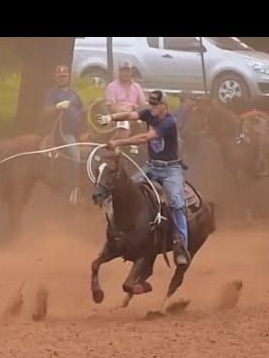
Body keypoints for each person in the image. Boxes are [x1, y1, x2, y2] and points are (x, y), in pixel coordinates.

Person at [97, 90, 190, 266]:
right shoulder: (149, 113)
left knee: (177, 203)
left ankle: (181, 247)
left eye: (155, 104)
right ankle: (122, 229)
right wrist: (112, 118)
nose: (152, 107)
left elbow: (144, 138)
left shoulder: (169, 122)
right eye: (151, 103)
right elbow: (131, 114)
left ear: (164, 106)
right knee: (127, 188)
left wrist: (117, 142)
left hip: (170, 170)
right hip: (151, 166)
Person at [42, 64, 90, 204]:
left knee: (94, 154)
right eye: (60, 76)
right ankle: (73, 189)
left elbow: (82, 111)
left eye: (64, 76)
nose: (62, 78)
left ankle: (90, 188)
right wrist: (57, 107)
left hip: (78, 133)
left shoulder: (74, 93)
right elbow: (44, 113)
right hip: (63, 133)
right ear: (55, 78)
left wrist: (92, 106)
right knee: (76, 155)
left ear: (68, 76)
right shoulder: (52, 93)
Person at [104, 60, 147, 157]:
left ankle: (142, 154)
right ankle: (118, 150)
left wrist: (136, 108)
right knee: (124, 123)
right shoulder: (111, 86)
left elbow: (143, 104)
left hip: (135, 115)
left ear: (131, 72)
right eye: (123, 70)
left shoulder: (137, 87)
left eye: (128, 71)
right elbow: (111, 106)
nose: (125, 73)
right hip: (117, 116)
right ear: (119, 72)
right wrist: (125, 112)